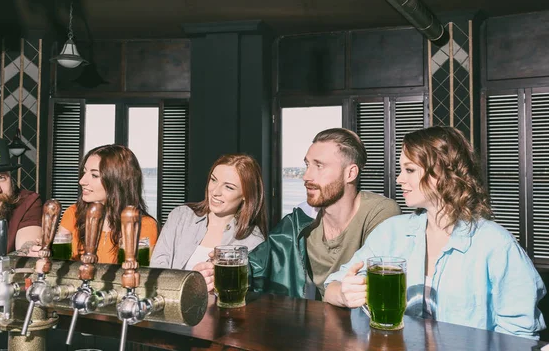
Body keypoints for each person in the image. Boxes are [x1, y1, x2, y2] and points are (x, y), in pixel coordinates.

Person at [324, 126, 546, 339]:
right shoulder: (390, 232)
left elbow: (519, 334)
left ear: (441, 172)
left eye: (409, 170)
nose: (399, 179)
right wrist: (345, 294)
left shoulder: (496, 244)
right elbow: (330, 288)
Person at [249, 128, 401, 299]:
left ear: (350, 173)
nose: (306, 176)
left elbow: (381, 282)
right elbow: (257, 263)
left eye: (319, 166)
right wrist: (217, 272)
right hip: (320, 320)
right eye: (307, 165)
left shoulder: (379, 212)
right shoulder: (301, 219)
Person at [151, 154, 268, 291]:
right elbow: (154, 274)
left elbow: (247, 294)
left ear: (246, 195)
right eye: (213, 180)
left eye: (228, 187)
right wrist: (189, 281)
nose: (215, 191)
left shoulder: (253, 241)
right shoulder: (180, 217)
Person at [58, 144, 158, 264]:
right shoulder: (73, 213)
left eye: (94, 175)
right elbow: (58, 262)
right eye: (84, 172)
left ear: (117, 181)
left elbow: (141, 275)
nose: (82, 181)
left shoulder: (143, 225)